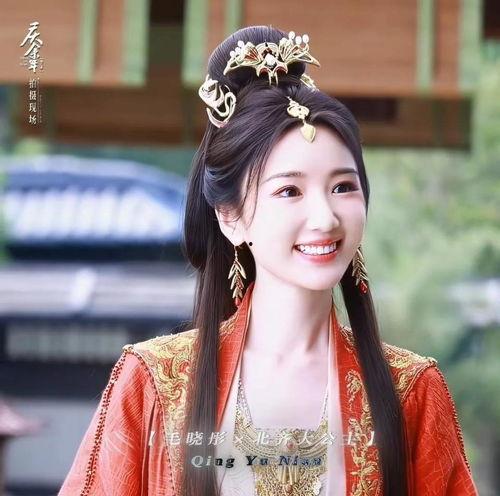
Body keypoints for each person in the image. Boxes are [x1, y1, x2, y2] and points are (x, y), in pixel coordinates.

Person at [59, 25, 479, 496]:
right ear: (231, 217)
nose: (325, 218)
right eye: (289, 191)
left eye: (343, 187)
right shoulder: (153, 382)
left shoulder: (412, 391)